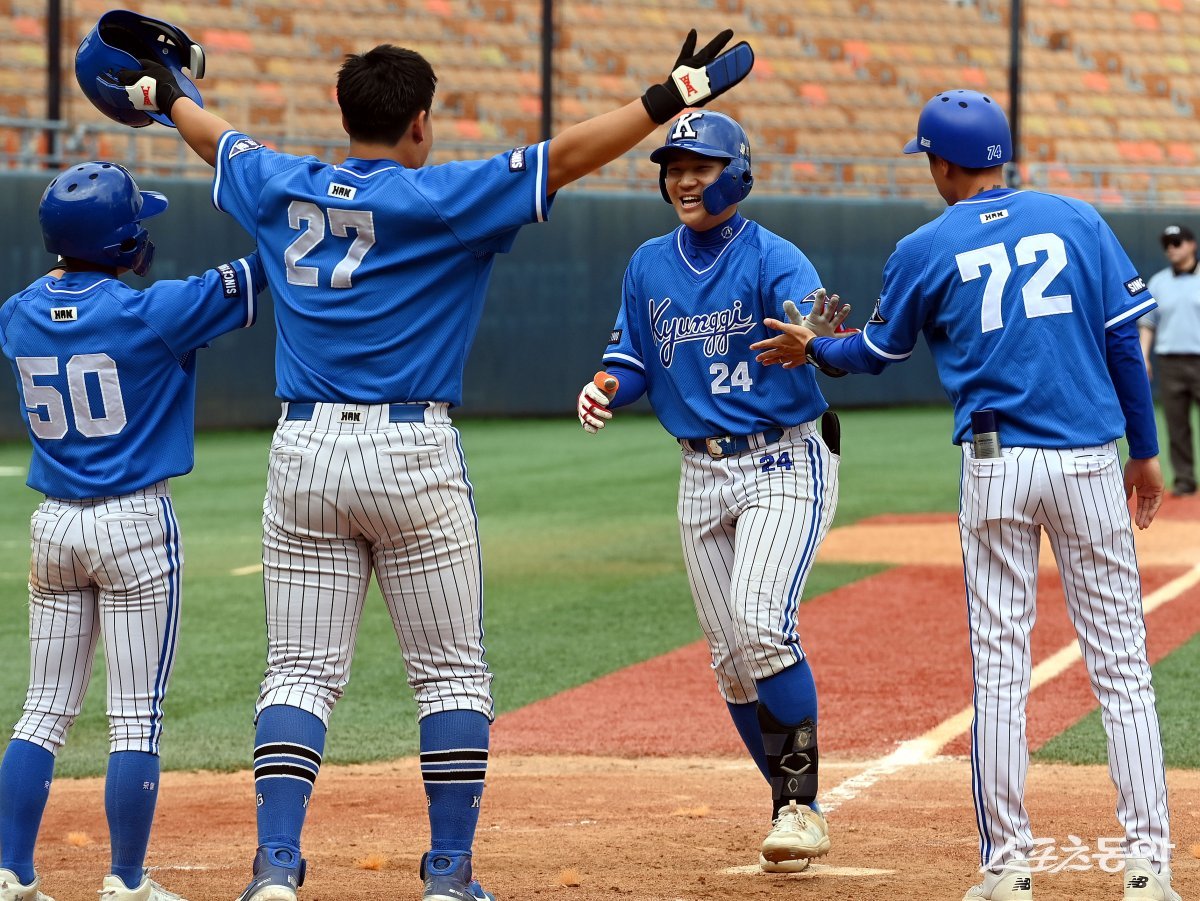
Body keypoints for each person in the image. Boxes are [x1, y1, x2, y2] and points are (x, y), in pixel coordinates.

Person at [100, 21, 754, 901]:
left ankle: (276, 869)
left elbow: (214, 135)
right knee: (449, 671)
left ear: (341, 111)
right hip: (412, 449)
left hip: (306, 448)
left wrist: (165, 89)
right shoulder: (446, 194)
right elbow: (565, 158)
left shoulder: (276, 180)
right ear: (419, 124)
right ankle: (447, 872)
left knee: (298, 670)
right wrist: (669, 97)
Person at [751, 89, 1178, 901]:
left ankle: (1008, 869)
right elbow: (1123, 340)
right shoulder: (1079, 219)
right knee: (1123, 667)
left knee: (1000, 670)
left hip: (997, 465)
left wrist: (816, 348)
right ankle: (1149, 867)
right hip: (1090, 460)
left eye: (931, 160)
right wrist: (1146, 453)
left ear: (944, 162)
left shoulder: (925, 243)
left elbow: (875, 351)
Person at [576, 110, 853, 875]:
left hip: (782, 460)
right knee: (732, 661)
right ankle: (788, 805)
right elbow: (629, 353)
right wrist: (605, 383)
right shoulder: (648, 264)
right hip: (700, 469)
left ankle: (800, 805)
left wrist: (813, 340)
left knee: (763, 624)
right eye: (673, 166)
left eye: (699, 164)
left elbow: (814, 328)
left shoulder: (773, 255)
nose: (685, 178)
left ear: (736, 170)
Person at [0, 162, 263, 901]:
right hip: (133, 523)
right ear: (121, 241)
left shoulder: (15, 311)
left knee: (43, 707)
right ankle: (124, 880)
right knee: (135, 714)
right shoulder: (158, 310)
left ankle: (11, 871)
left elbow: (68, 313)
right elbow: (268, 261)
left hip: (53, 524)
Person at [1140, 224, 1200, 498]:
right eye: (1167, 244)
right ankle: (1185, 480)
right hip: (1170, 361)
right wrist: (1144, 356)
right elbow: (1148, 324)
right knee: (1176, 426)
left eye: (1177, 242)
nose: (1171, 248)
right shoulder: (1158, 282)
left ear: (1191, 245)